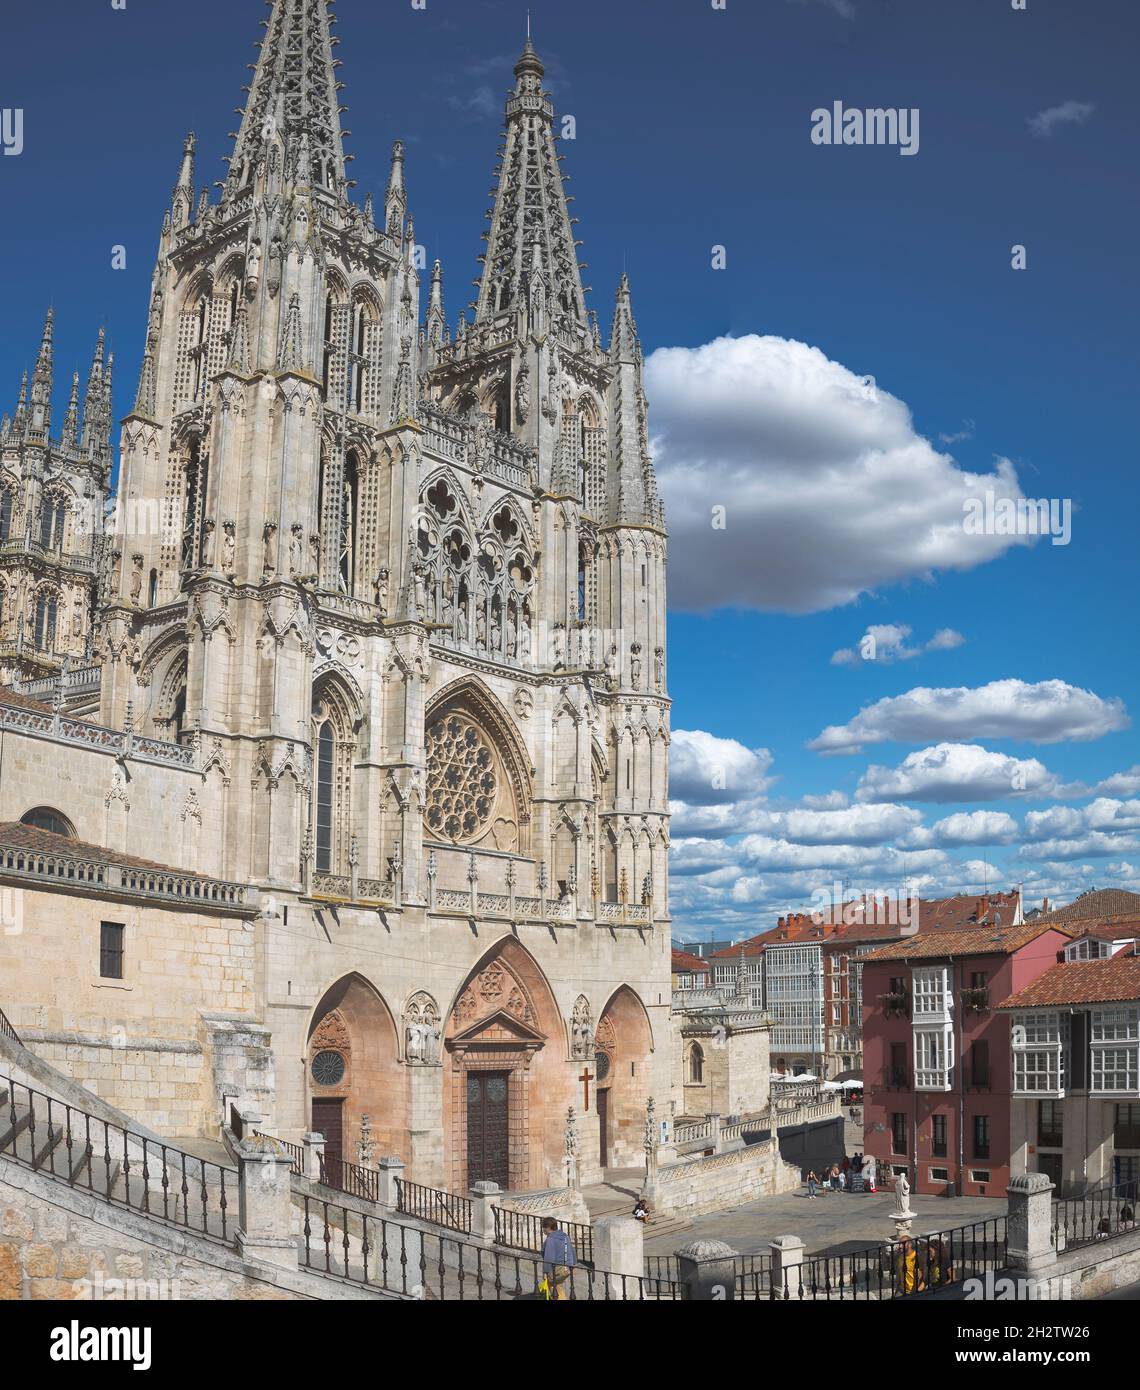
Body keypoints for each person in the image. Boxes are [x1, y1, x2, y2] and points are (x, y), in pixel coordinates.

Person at [540, 1217, 577, 1300]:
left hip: (557, 1268)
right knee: (557, 1285)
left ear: (548, 1228)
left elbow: (549, 1257)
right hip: (567, 1267)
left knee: (552, 1285)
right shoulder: (565, 1236)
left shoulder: (551, 1239)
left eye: (544, 1227)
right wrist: (574, 1264)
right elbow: (572, 1249)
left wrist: (545, 1272)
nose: (543, 1230)